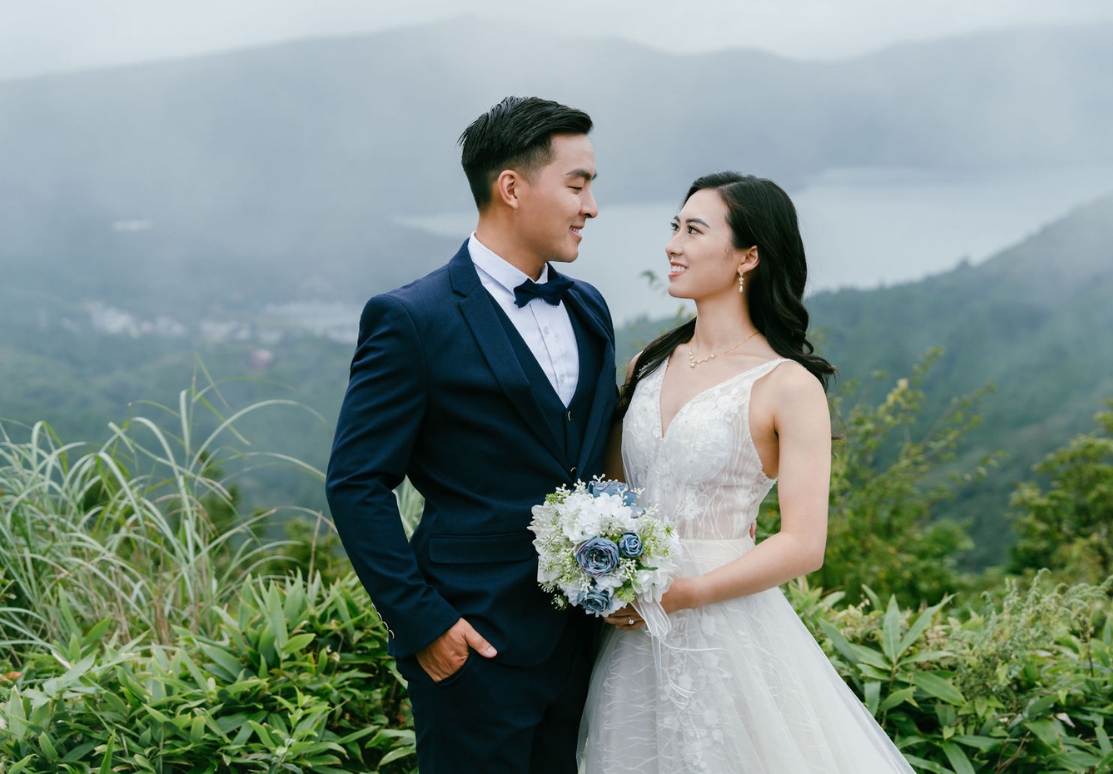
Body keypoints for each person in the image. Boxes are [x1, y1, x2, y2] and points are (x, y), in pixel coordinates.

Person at [580, 172, 916, 772]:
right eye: (674, 228)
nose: (672, 245)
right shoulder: (647, 365)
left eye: (693, 230)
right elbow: (611, 495)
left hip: (724, 625)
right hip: (633, 631)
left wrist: (687, 594)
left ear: (749, 256)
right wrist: (593, 564)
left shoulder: (789, 385)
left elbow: (803, 544)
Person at [325, 96, 618, 774]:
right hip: (474, 645)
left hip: (587, 644)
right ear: (511, 187)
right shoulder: (412, 319)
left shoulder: (589, 306)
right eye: (578, 184)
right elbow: (357, 482)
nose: (592, 206)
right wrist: (425, 624)